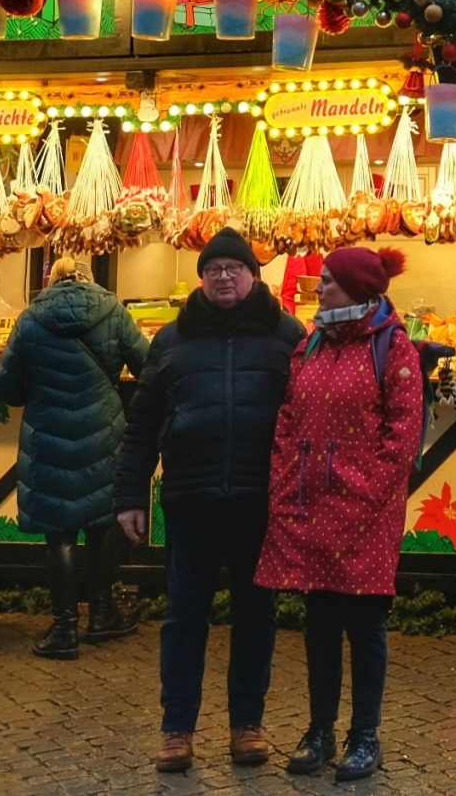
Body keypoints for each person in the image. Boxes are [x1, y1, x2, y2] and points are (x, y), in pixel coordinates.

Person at [113, 229, 305, 775]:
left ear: (254, 276)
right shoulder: (172, 341)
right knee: (183, 617)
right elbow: (143, 422)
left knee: (255, 616)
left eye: (234, 268)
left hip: (258, 499)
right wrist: (131, 494)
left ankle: (248, 725)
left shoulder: (285, 335)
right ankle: (177, 730)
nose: (224, 277)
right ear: (202, 278)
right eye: (214, 268)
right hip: (190, 497)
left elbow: (306, 416)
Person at [255, 246, 424, 781]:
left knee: (365, 624)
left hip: (365, 512)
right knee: (319, 622)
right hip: (310, 504)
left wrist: (369, 493)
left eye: (327, 280)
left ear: (356, 288)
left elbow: (404, 433)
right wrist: (286, 476)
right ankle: (320, 729)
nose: (319, 287)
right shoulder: (311, 344)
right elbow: (287, 417)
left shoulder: (393, 349)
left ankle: (365, 735)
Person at [0, 254, 149, 659]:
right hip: (103, 432)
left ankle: (64, 629)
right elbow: (147, 366)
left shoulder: (30, 319)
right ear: (87, 278)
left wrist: (38, 388)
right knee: (100, 525)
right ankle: (101, 615)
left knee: (58, 532)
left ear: (51, 279)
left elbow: (6, 388)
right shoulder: (113, 310)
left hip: (48, 434)